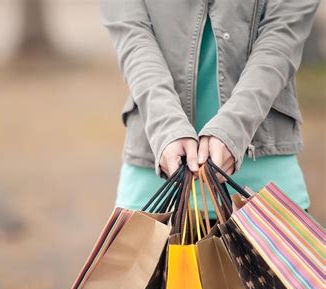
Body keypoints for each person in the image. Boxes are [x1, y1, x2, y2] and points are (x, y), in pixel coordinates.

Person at [101, 0, 319, 217]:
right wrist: (167, 128)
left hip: (264, 173)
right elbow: (132, 36)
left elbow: (281, 38)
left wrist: (232, 129)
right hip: (154, 177)